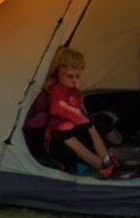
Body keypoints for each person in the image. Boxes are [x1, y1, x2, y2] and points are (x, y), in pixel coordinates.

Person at [24, 47, 118, 177]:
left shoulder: (73, 90)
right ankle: (100, 164)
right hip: (53, 139)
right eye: (70, 76)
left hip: (73, 129)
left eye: (77, 76)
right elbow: (58, 109)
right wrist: (81, 119)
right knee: (66, 131)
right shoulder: (53, 90)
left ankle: (106, 159)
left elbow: (80, 112)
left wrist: (85, 121)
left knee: (94, 125)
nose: (74, 80)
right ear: (58, 72)